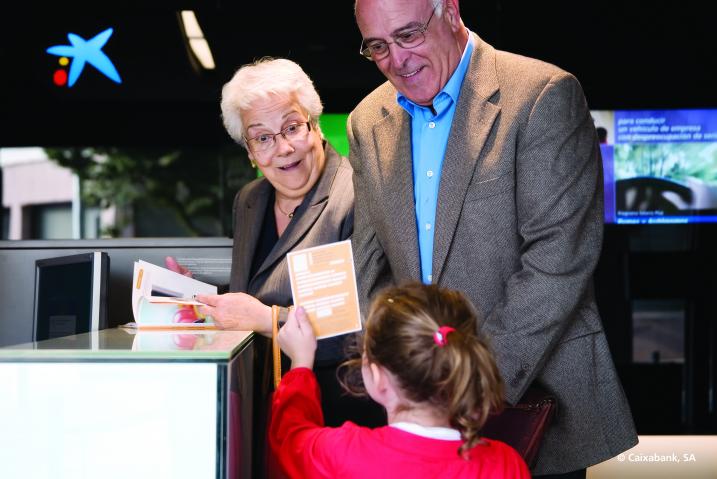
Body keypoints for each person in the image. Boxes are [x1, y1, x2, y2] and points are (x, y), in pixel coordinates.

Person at [348, 0, 638, 476]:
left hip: (535, 400)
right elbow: (369, 265)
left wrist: (471, 384)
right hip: (420, 419)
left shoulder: (542, 94)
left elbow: (558, 258)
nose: (396, 60)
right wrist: (408, 384)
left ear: (450, 12)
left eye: (408, 35)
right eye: (377, 46)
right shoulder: (365, 121)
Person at [166, 58, 380, 428]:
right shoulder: (249, 200)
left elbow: (363, 325)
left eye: (291, 127)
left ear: (315, 126)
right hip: (262, 403)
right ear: (250, 152)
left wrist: (267, 320)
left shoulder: (358, 193)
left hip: (337, 413)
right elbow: (257, 289)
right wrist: (200, 297)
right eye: (262, 138)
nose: (282, 148)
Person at [270, 283, 530, 479]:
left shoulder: (341, 454)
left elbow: (290, 438)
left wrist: (301, 362)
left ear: (378, 378)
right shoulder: (507, 465)